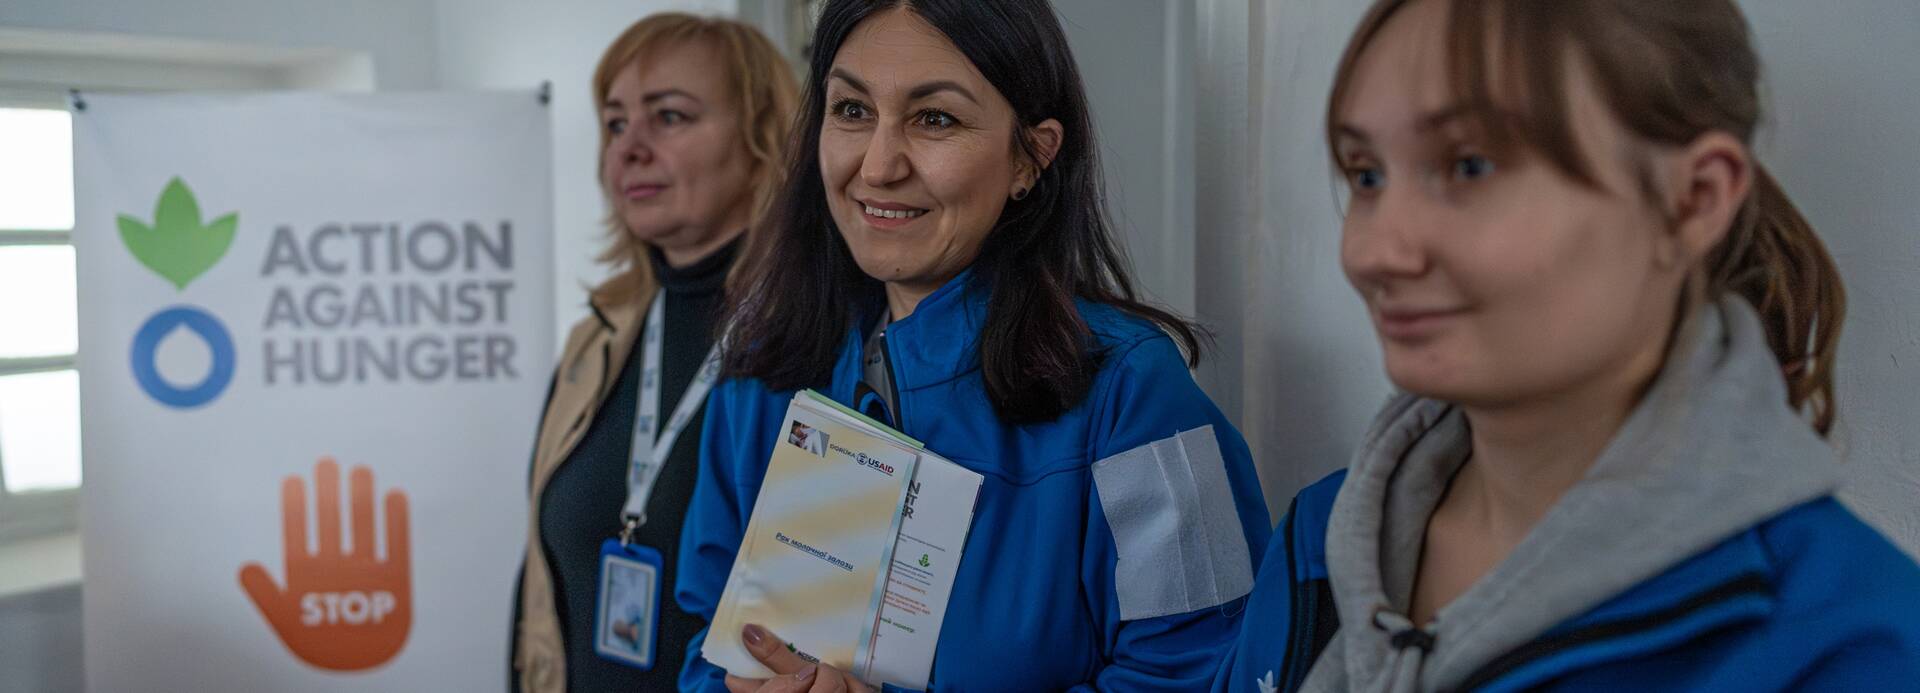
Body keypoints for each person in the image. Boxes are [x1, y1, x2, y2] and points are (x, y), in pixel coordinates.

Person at [1214, 0, 1920, 691]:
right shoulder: (1317, 539)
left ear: (1695, 199)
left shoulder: (1848, 643)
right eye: (1367, 174)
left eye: (1470, 166)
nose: (1374, 252)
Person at [678, 0, 1273, 690]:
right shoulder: (759, 377)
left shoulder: (1134, 393)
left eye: (935, 118)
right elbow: (704, 646)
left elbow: (1204, 672)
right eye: (851, 110)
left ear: (1031, 156)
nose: (877, 166)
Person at [510, 13, 797, 693]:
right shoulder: (600, 337)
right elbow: (540, 595)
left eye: (668, 117)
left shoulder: (815, 342)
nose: (629, 148)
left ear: (762, 139)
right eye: (614, 123)